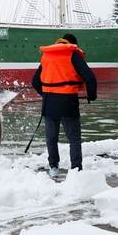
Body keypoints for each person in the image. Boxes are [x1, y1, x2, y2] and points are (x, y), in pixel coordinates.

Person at [32, 33, 97, 177]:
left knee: (51, 138)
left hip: (49, 103)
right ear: (73, 44)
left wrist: (47, 95)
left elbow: (35, 82)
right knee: (74, 139)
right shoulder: (72, 54)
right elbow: (90, 77)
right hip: (68, 102)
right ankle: (76, 170)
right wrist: (91, 96)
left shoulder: (47, 56)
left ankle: (53, 167)